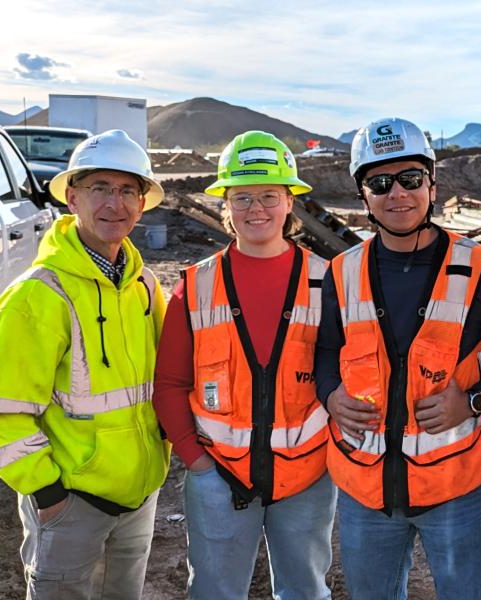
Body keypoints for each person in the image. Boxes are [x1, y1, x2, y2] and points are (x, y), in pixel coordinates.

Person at [316, 117, 481, 600]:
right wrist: (330, 396)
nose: (397, 194)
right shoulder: (342, 272)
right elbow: (325, 353)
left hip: (456, 488)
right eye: (379, 183)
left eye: (410, 179)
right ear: (363, 195)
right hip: (365, 491)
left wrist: (472, 402)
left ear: (432, 184)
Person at [0, 129, 169, 599]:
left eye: (127, 190)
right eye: (99, 188)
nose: (114, 203)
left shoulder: (144, 286)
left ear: (142, 203)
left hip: (139, 497)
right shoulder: (37, 296)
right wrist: (47, 495)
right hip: (70, 505)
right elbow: (0, 414)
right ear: (73, 198)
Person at [152, 131, 334, 599]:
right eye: (242, 197)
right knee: (214, 591)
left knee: (305, 592)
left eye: (270, 196)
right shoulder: (193, 287)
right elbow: (170, 384)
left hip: (307, 478)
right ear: (225, 206)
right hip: (217, 474)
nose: (257, 209)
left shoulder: (328, 282)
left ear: (290, 202)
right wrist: (196, 463)